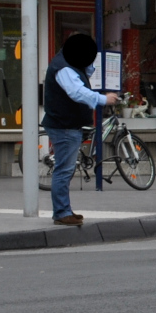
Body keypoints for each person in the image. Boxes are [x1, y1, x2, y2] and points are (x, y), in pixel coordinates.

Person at [42, 34, 118, 226]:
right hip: (64, 126)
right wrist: (102, 99)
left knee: (65, 169)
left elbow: (83, 78)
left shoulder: (69, 64)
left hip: (67, 125)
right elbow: (76, 92)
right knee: (64, 170)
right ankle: (61, 212)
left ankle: (64, 210)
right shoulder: (64, 68)